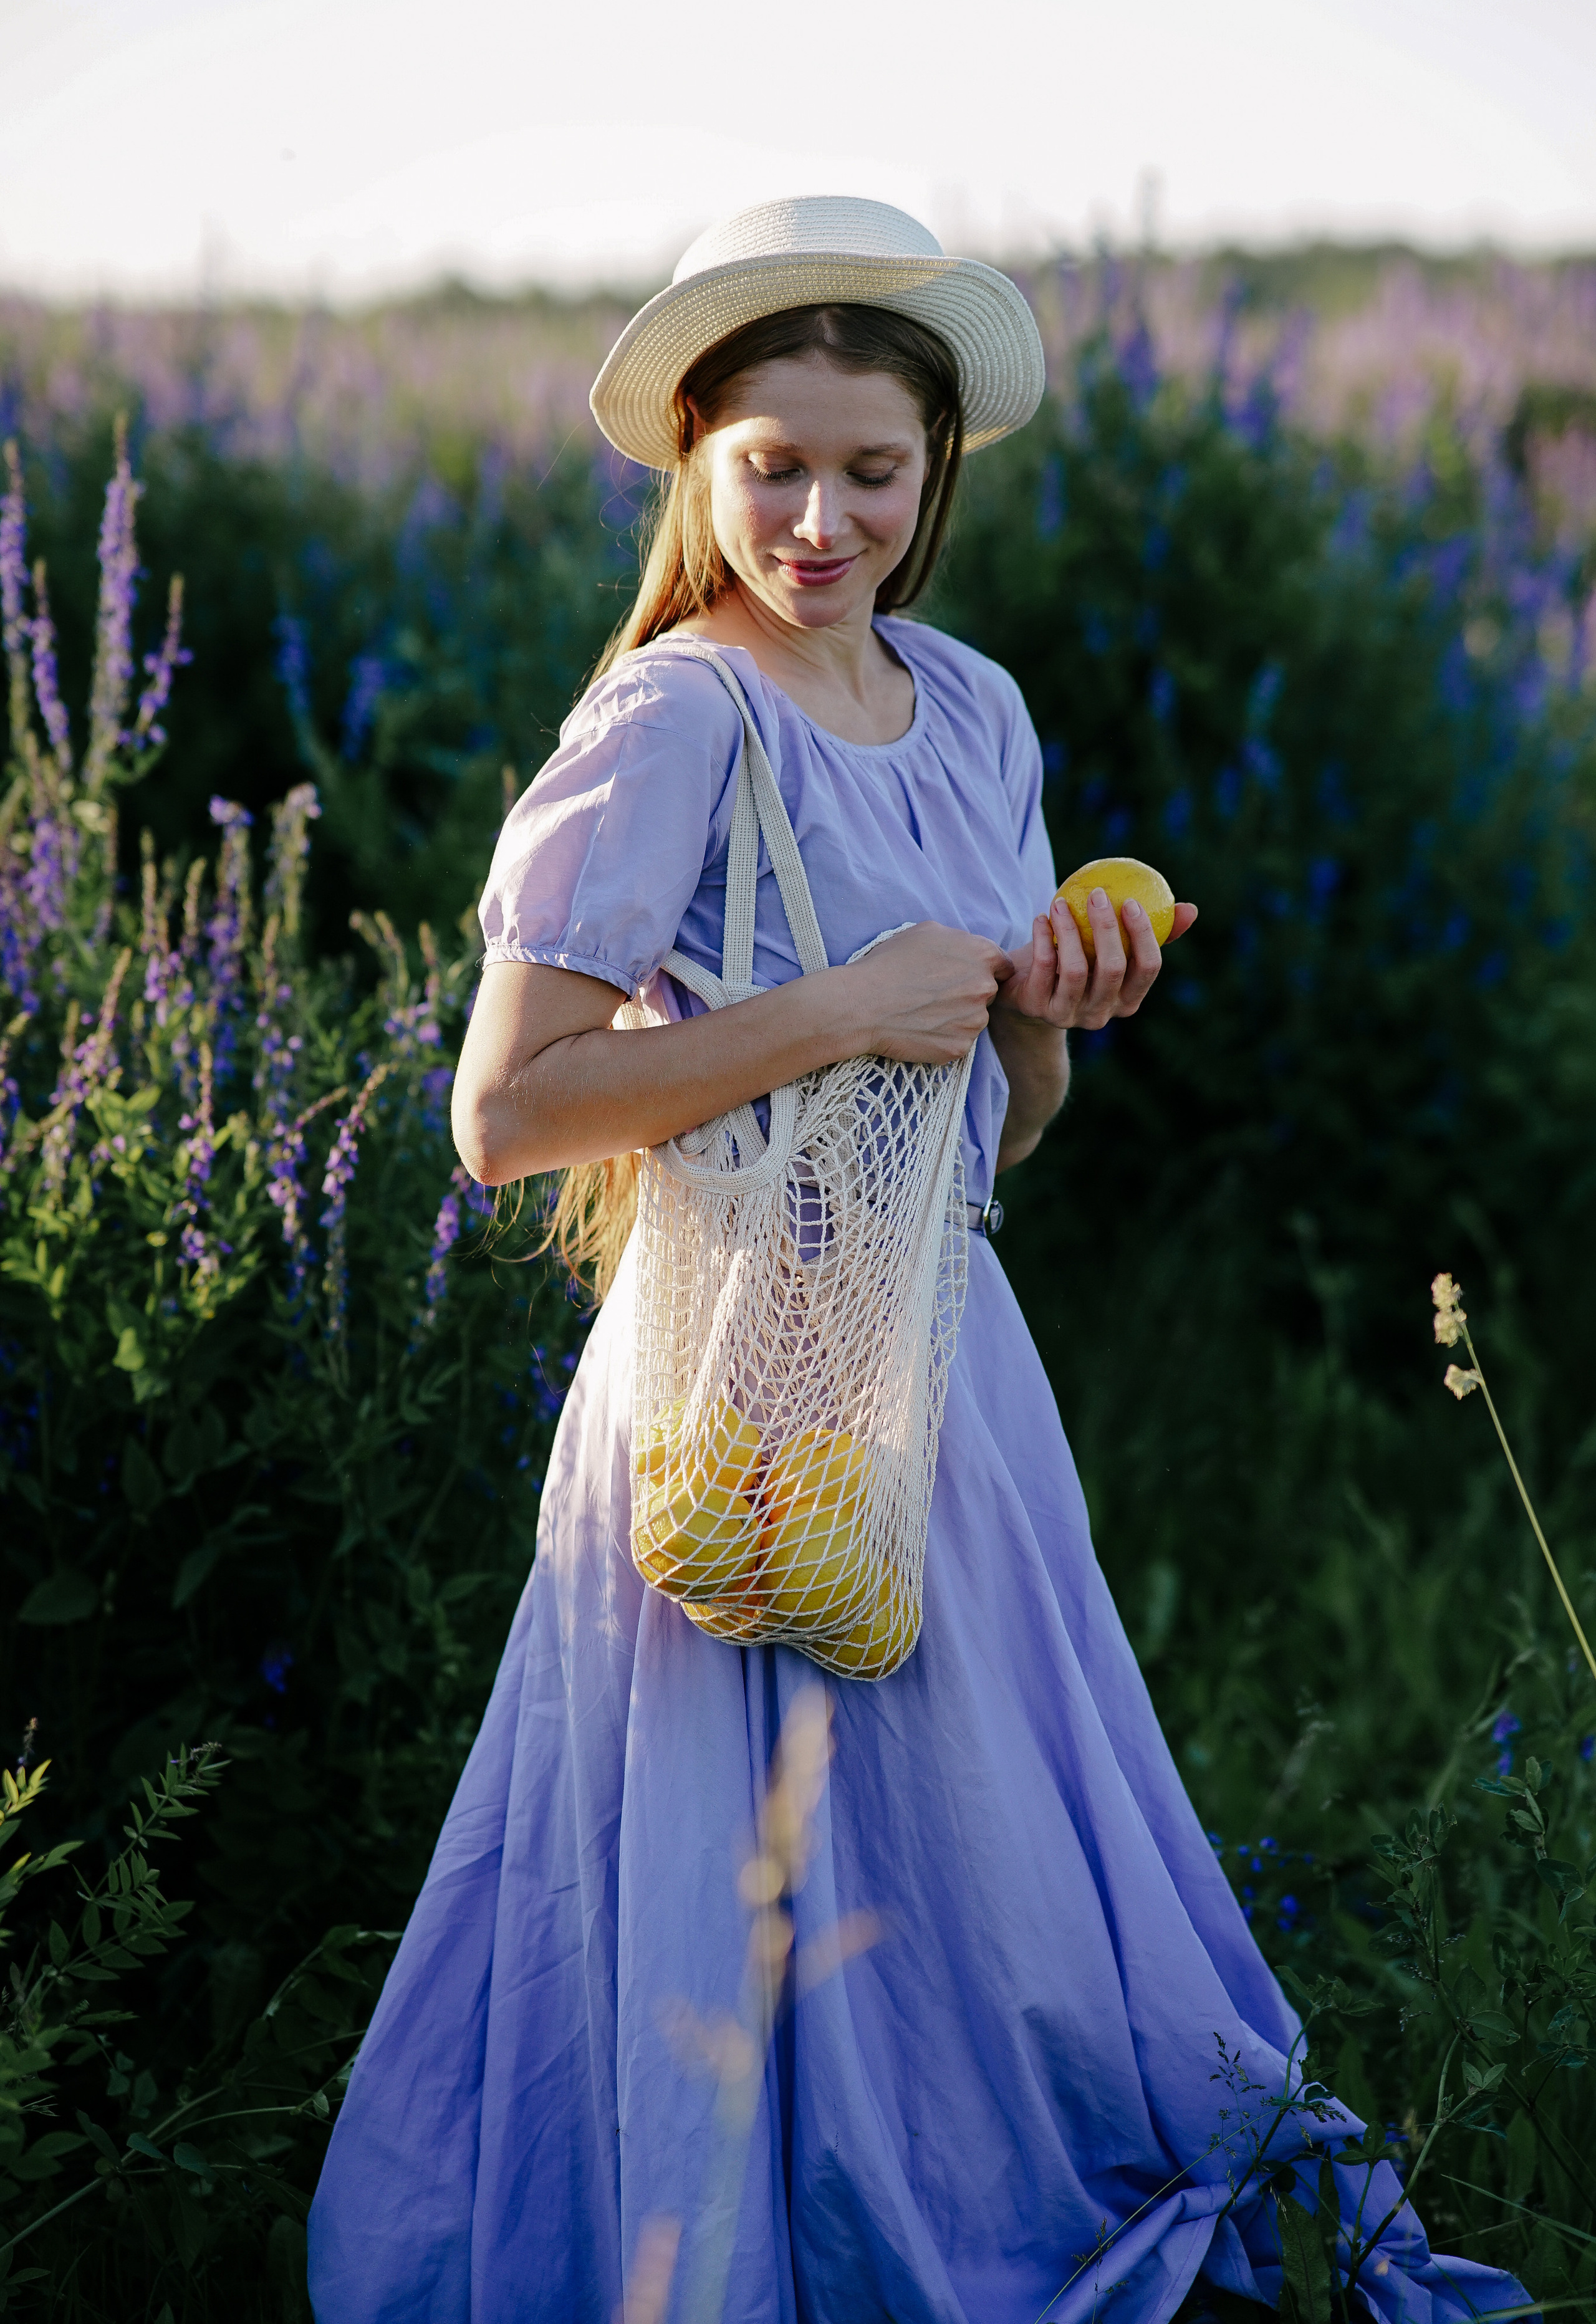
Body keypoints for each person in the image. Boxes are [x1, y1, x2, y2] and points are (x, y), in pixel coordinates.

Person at [308, 198, 1525, 2324]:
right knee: (731, 1859)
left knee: (969, 1860)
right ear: (696, 459)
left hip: (947, 1373)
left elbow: (992, 1143)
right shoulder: (678, 718)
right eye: (772, 465)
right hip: (733, 1390)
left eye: (871, 470)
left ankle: (937, 2214)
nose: (821, 520)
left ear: (935, 468)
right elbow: (502, 1117)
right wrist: (842, 1005)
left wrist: (1047, 1018)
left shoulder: (971, 709)